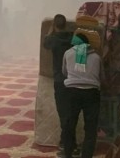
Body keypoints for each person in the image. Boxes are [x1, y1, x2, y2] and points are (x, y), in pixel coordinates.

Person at [61, 33, 102, 158]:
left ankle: (68, 153)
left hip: (72, 92)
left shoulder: (68, 53)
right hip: (91, 93)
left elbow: (64, 72)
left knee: (69, 124)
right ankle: (87, 155)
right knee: (91, 127)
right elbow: (102, 76)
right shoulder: (96, 57)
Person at [42, 14, 74, 156]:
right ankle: (68, 142)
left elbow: (46, 42)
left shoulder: (53, 40)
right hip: (74, 80)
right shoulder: (74, 38)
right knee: (71, 113)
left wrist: (50, 30)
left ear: (55, 25)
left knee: (63, 114)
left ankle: (68, 145)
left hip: (60, 81)